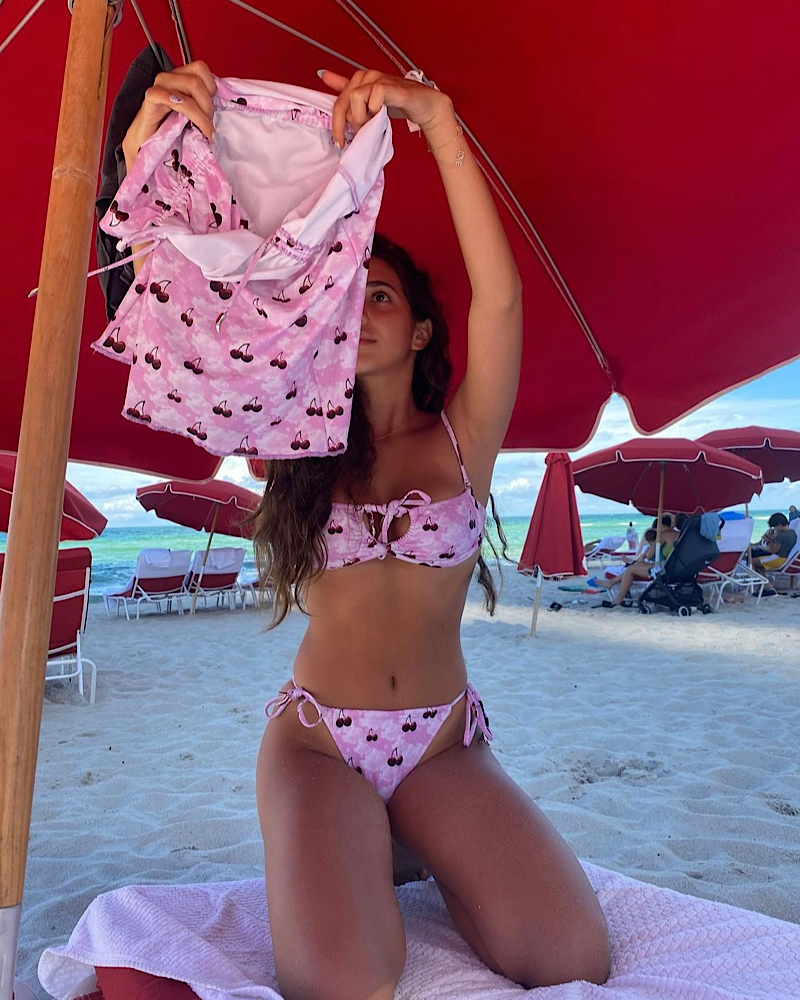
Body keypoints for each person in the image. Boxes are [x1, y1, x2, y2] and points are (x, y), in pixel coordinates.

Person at [121, 63, 610, 998]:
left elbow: (502, 298)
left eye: (380, 296)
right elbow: (174, 308)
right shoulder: (285, 435)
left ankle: (408, 845)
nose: (360, 311)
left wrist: (439, 120)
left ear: (423, 331)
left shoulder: (465, 438)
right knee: (344, 985)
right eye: (348, 297)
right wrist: (147, 146)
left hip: (441, 744)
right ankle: (368, 845)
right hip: (317, 741)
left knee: (570, 961)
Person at [750, 512, 797, 579]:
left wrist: (767, 540)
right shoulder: (792, 532)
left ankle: (766, 583)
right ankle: (764, 581)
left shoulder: (781, 535)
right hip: (785, 558)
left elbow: (773, 550)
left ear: (780, 525)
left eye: (775, 526)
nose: (774, 528)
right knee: (756, 562)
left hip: (778, 559)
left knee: (751, 561)